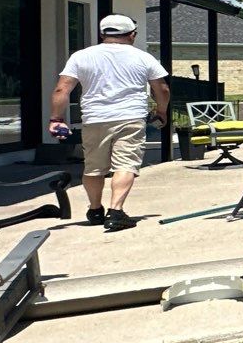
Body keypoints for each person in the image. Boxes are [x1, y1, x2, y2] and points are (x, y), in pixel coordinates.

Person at [48, 13, 171, 232]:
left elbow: (62, 89)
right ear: (132, 35)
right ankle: (115, 212)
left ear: (102, 34)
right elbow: (161, 88)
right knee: (126, 164)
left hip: (94, 118)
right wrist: (161, 110)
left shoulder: (81, 56)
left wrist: (57, 118)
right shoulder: (143, 58)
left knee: (94, 167)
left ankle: (95, 210)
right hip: (130, 117)